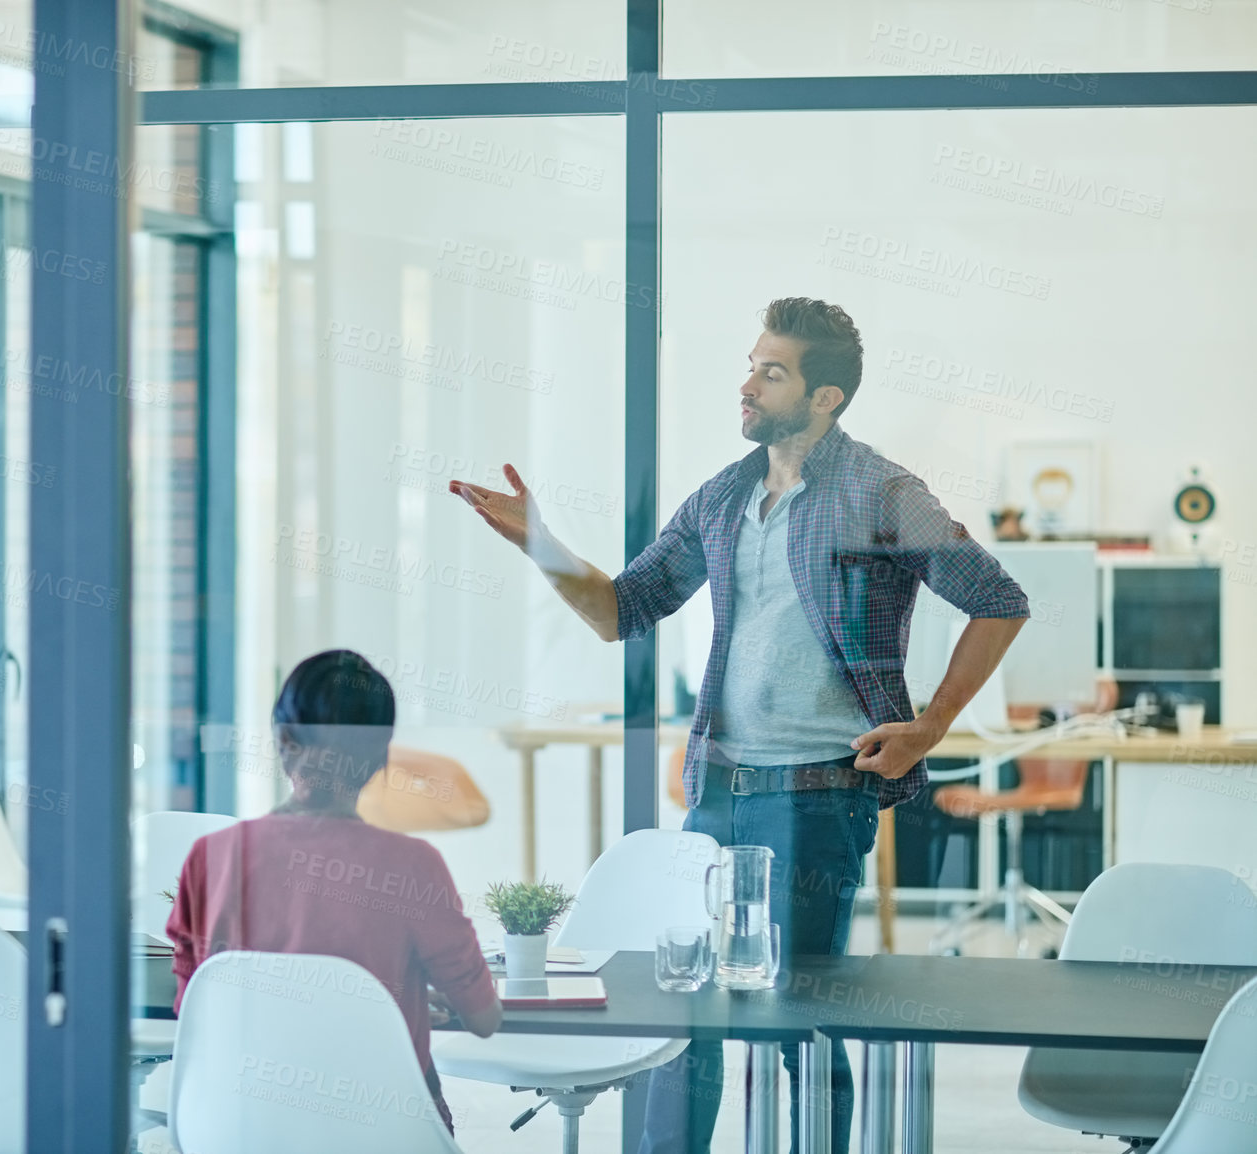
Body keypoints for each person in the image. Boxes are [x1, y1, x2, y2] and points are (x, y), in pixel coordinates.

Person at [449, 298, 1028, 1153]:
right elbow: (623, 609)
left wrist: (932, 724)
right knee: (687, 1015)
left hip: (818, 797)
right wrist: (541, 544)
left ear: (825, 396)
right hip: (717, 792)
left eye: (772, 370)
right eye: (751, 364)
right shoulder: (722, 497)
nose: (747, 384)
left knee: (801, 1023)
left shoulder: (883, 491)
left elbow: (998, 600)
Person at [165, 649, 502, 1133]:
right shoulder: (414, 866)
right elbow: (485, 1019)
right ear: (380, 760)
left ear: (283, 740)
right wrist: (385, 1005)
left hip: (241, 1129)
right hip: (384, 1135)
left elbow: (195, 1010)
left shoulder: (211, 858)